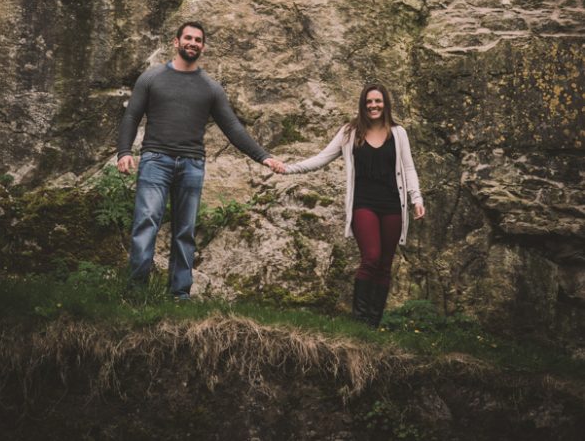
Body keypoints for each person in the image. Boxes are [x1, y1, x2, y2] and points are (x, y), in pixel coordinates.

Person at [117, 21, 281, 299]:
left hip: (191, 164)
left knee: (185, 231)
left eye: (198, 40)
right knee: (146, 223)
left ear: (203, 47)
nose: (193, 43)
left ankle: (179, 295)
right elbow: (132, 116)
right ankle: (136, 293)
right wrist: (124, 152)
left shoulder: (210, 88)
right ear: (176, 42)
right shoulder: (152, 78)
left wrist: (263, 156)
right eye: (188, 38)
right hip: (155, 160)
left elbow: (233, 127)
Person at [275, 81, 424, 327]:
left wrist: (416, 198)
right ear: (362, 106)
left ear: (385, 104)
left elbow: (409, 169)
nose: (373, 106)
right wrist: (288, 169)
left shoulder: (399, 133)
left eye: (378, 101)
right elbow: (322, 158)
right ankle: (359, 320)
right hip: (363, 204)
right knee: (371, 258)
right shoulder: (350, 132)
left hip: (392, 205)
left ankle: (372, 324)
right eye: (369, 102)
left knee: (385, 264)